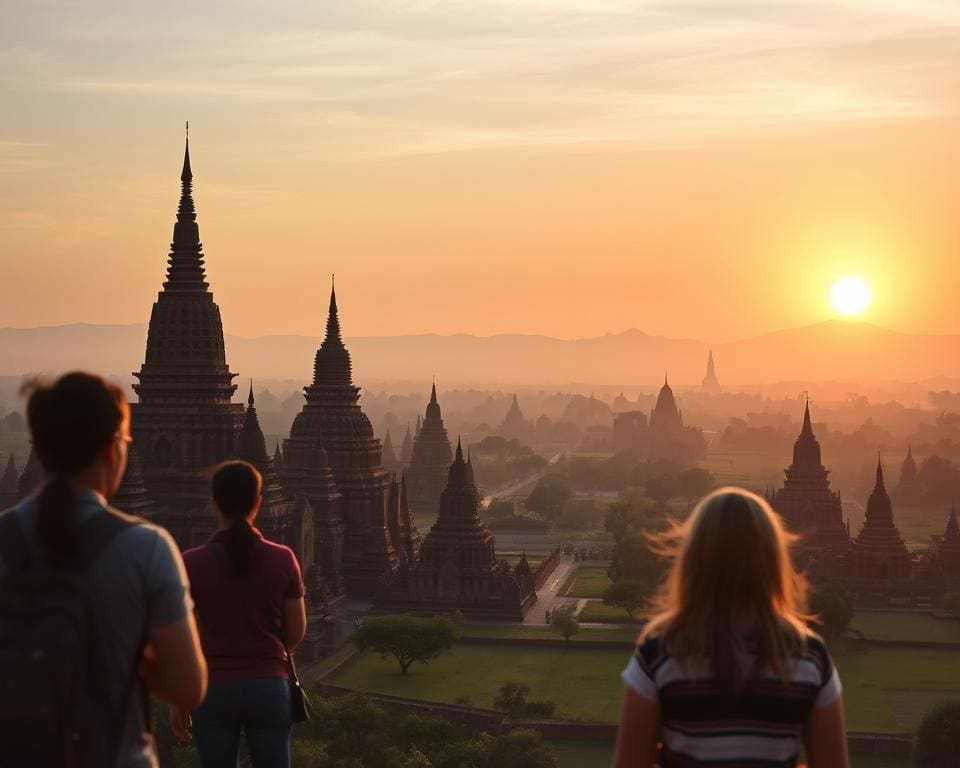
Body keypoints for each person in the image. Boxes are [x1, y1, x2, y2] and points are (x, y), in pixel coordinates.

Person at [0, 372, 207, 767]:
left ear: (40, 450)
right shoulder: (146, 548)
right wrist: (130, 652)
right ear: (113, 451)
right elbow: (187, 686)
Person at [612, 488, 849, 768]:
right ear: (772, 559)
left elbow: (630, 762)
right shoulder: (808, 656)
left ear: (695, 555)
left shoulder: (663, 650)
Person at [173, 460, 307, 768]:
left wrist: (179, 696)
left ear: (214, 503)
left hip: (213, 687)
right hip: (269, 685)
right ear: (258, 501)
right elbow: (296, 631)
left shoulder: (191, 562)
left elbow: (181, 639)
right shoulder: (282, 558)